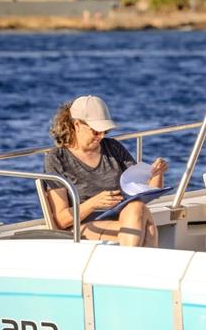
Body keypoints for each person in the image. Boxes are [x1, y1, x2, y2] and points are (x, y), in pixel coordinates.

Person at [44, 95, 165, 247]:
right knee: (143, 226)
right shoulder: (57, 159)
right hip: (84, 225)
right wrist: (93, 204)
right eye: (96, 131)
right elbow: (61, 220)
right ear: (77, 125)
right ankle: (136, 268)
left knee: (137, 207)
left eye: (105, 132)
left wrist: (156, 173)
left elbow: (146, 191)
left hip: (124, 217)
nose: (101, 137)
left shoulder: (113, 147)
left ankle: (132, 266)